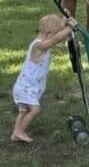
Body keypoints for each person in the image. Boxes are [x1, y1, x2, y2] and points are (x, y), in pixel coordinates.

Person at [11, 14, 76, 144]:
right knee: (35, 110)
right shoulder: (38, 46)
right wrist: (69, 29)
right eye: (56, 34)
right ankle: (20, 131)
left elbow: (55, 36)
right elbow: (55, 39)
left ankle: (16, 133)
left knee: (24, 111)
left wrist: (64, 22)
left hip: (27, 87)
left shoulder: (41, 43)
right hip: (25, 88)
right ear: (49, 34)